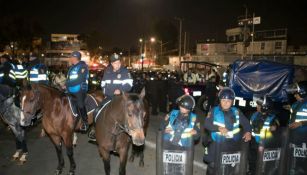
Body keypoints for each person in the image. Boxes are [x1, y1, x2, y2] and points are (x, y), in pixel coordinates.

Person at [203, 87, 252, 175]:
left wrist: (248, 132)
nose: (226, 103)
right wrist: (218, 128)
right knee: (213, 166)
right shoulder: (214, 110)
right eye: (223, 100)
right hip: (217, 144)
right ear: (220, 101)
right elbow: (206, 124)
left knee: (231, 168)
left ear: (232, 101)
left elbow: (246, 123)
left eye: (228, 101)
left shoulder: (236, 111)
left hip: (233, 144)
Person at [89, 53, 133, 141]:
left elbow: (129, 85)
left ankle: (132, 132)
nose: (117, 64)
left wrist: (120, 91)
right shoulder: (107, 71)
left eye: (118, 62)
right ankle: (95, 129)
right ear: (112, 63)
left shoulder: (125, 71)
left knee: (131, 114)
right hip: (109, 97)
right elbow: (103, 85)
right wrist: (109, 92)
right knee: (97, 111)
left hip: (121, 98)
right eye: (115, 63)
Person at [248, 95, 279, 175]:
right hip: (253, 143)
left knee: (263, 165)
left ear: (264, 107)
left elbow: (276, 126)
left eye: (259, 105)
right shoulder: (254, 115)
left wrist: (273, 127)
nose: (257, 106)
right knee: (252, 162)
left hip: (265, 145)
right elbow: (248, 126)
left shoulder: (272, 117)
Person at [66, 51, 89, 131]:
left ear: (75, 58)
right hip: (70, 89)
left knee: (80, 104)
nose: (70, 59)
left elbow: (79, 80)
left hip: (80, 89)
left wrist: (67, 84)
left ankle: (85, 121)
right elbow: (69, 78)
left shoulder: (83, 67)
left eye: (71, 57)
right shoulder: (72, 67)